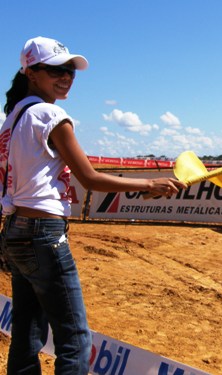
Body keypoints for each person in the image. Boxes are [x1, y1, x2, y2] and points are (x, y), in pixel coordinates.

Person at [0, 36, 187, 374]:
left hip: (16, 231)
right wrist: (150, 183)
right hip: (44, 234)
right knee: (74, 339)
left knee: (27, 332)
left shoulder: (13, 117)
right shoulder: (51, 115)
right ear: (31, 72)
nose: (67, 76)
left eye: (71, 70)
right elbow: (90, 178)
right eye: (56, 69)